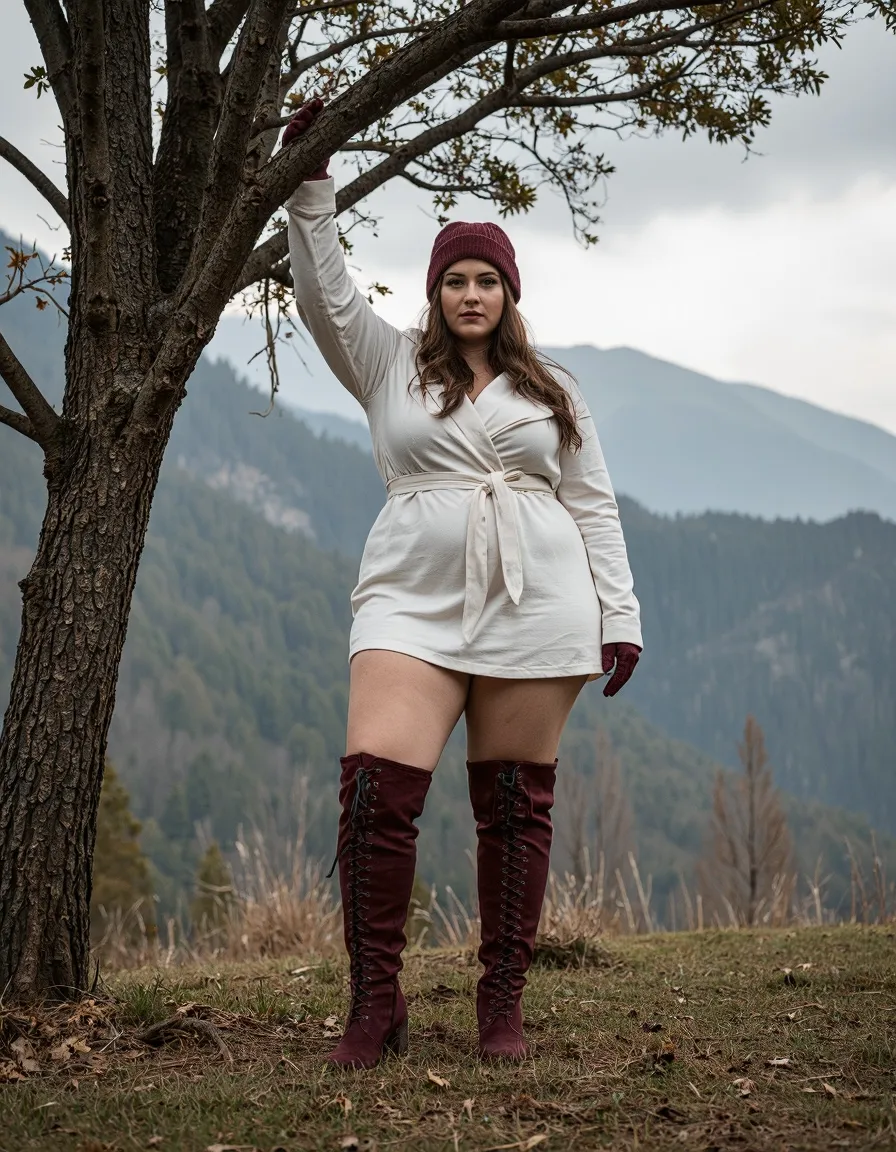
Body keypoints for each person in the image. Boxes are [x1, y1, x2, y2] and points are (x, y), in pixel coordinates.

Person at [282, 99, 642, 1070]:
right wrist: (310, 185)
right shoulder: (386, 363)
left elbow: (594, 504)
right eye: (455, 280)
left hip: (537, 601)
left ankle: (500, 1008)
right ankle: (373, 1004)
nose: (470, 295)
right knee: (372, 795)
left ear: (507, 295)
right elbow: (321, 296)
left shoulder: (551, 390)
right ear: (435, 292)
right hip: (409, 594)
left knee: (515, 805)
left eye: (486, 281)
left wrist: (620, 615)